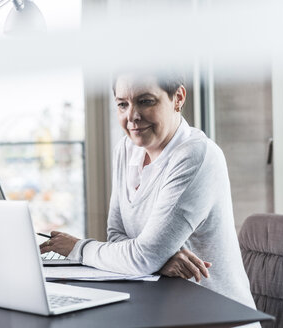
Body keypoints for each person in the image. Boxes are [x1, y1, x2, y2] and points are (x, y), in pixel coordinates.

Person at [40, 71, 257, 313]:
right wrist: (155, 261)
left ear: (178, 98)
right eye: (122, 104)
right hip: (162, 307)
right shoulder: (126, 149)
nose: (132, 116)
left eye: (145, 101)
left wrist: (77, 249)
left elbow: (142, 257)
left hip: (216, 314)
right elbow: (118, 236)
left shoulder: (196, 156)